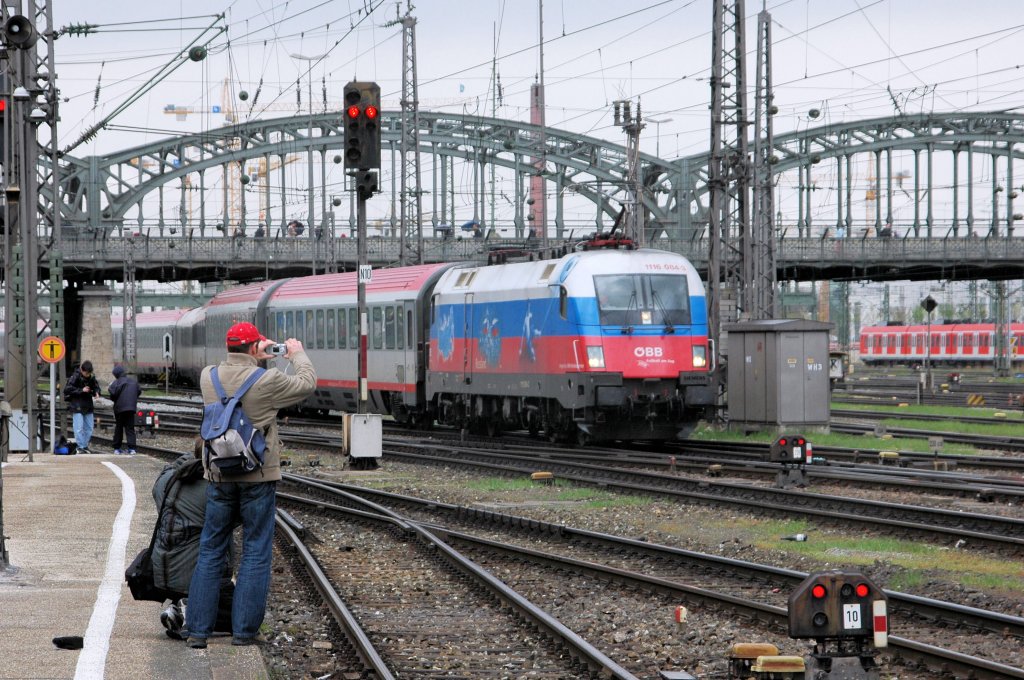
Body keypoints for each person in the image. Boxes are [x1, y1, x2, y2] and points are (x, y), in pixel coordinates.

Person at [184, 322, 316, 649]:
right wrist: (296, 354)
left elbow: (238, 381)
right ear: (255, 347)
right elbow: (306, 383)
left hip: (219, 476)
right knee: (255, 552)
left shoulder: (208, 376)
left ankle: (197, 631)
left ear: (228, 346)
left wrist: (255, 356)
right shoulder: (266, 380)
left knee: (211, 550)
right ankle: (243, 633)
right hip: (257, 476)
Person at [153, 441, 236, 640]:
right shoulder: (215, 491)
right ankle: (189, 609)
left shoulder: (167, 479)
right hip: (196, 575)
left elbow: (159, 486)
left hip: (164, 572)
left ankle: (179, 607)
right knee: (241, 616)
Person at [63, 360, 101, 454]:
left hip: (88, 405)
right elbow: (67, 389)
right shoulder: (75, 376)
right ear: (82, 370)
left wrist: (97, 392)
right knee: (79, 427)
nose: (87, 375)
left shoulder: (92, 377)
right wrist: (81, 390)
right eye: (86, 373)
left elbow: (96, 386)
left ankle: (84, 445)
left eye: (89, 373)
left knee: (89, 428)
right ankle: (80, 446)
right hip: (77, 404)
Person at [108, 365, 142, 455]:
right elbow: (139, 391)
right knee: (130, 428)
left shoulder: (116, 382)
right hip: (131, 408)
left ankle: (117, 448)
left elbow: (112, 393)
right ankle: (132, 449)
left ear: (116, 374)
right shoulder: (133, 382)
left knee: (119, 428)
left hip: (119, 409)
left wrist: (114, 398)